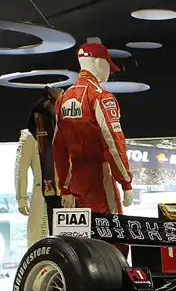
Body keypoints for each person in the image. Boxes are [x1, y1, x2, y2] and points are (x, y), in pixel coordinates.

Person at [54, 43, 134, 216]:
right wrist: (126, 182)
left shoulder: (63, 99)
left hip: (77, 182)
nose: (109, 72)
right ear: (99, 64)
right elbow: (113, 143)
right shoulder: (100, 96)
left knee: (83, 237)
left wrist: (65, 187)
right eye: (108, 66)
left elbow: (59, 148)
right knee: (111, 235)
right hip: (100, 179)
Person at [27, 86, 63, 232]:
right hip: (55, 176)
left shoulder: (44, 108)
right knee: (57, 219)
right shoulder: (44, 109)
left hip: (53, 176)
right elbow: (52, 144)